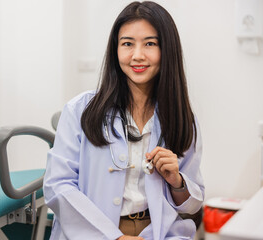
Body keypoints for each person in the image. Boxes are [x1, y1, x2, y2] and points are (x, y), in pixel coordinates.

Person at [43, 1, 204, 239]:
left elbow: (192, 206)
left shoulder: (182, 119)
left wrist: (177, 181)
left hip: (158, 231)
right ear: (115, 49)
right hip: (92, 232)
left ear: (166, 50)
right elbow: (58, 186)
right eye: (127, 44)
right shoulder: (80, 110)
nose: (137, 55)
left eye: (150, 44)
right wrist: (115, 237)